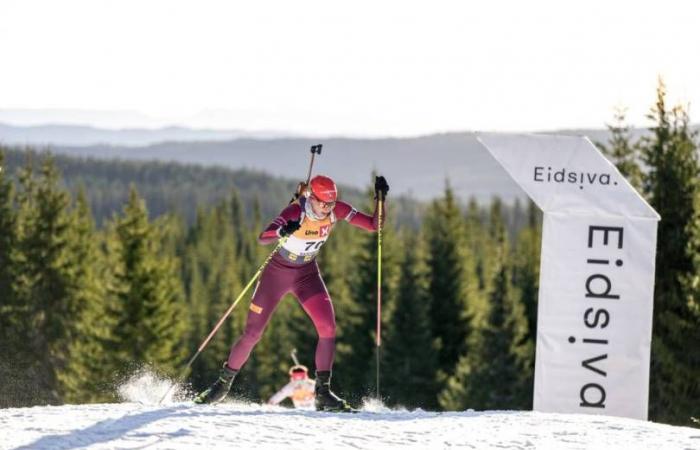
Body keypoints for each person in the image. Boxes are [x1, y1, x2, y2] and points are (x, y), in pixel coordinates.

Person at [195, 174, 390, 411]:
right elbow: (263, 238)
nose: (328, 209)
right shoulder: (295, 212)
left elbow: (373, 225)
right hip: (276, 275)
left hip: (307, 274)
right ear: (312, 197)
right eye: (323, 203)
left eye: (331, 204)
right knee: (253, 333)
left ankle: (323, 393)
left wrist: (381, 199)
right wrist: (282, 231)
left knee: (328, 328)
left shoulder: (336, 209)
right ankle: (221, 386)